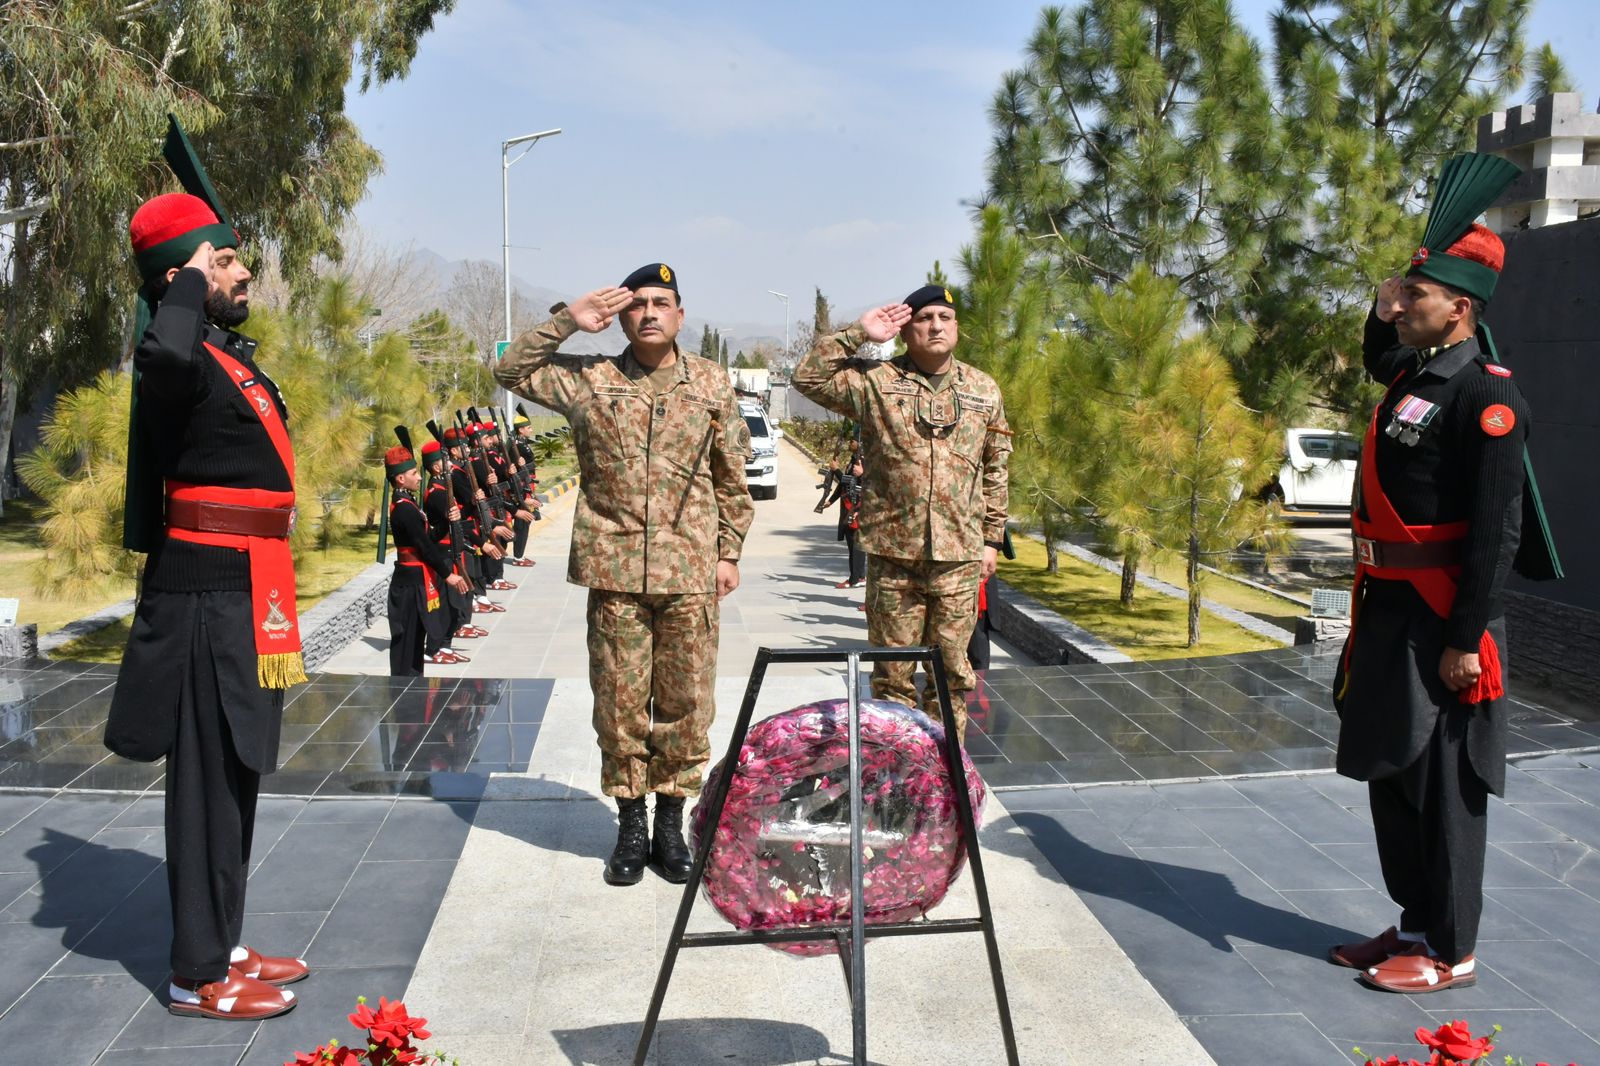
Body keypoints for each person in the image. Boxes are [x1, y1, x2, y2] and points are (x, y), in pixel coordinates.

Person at [1328, 153, 1551, 995]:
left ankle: (1451, 948)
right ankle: (1413, 922)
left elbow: (1498, 532)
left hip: (1444, 617)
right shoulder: (1417, 374)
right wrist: (1381, 300)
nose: (1401, 305)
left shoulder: (1483, 395)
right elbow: (1373, 352)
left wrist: (1466, 641)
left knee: (1447, 787)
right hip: (1387, 611)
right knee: (1394, 772)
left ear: (1459, 308)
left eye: (1415, 296)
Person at [106, 179, 306, 1020]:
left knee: (236, 776)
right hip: (203, 592)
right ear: (179, 279)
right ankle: (196, 973)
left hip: (248, 584)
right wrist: (185, 275)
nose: (242, 271)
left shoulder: (226, 354)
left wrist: (200, 265)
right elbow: (164, 356)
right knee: (203, 788)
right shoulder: (173, 353)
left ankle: (222, 939)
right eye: (224, 260)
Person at [495, 263, 753, 886]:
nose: (649, 313)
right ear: (620, 316)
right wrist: (568, 321)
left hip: (689, 569)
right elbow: (509, 371)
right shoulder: (592, 379)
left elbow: (732, 477)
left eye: (662, 302)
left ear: (681, 315)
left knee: (687, 704)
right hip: (614, 570)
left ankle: (671, 821)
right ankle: (631, 823)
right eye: (637, 304)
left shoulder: (712, 383)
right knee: (618, 704)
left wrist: (728, 551)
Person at [795, 284, 1010, 742]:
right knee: (892, 678)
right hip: (894, 557)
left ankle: (945, 772)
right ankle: (895, 775)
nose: (935, 326)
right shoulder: (876, 381)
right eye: (924, 318)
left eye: (944, 318)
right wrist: (859, 334)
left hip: (958, 557)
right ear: (907, 329)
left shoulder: (983, 390)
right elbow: (808, 378)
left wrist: (991, 539)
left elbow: (997, 466)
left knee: (952, 674)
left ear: (957, 328)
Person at [385, 437, 464, 675]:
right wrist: (447, 575)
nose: (420, 477)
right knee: (407, 639)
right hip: (409, 582)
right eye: (414, 473)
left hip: (416, 578)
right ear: (400, 479)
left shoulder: (409, 503)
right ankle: (402, 688)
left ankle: (412, 683)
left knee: (416, 639)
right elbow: (424, 546)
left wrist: (447, 523)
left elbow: (428, 537)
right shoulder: (404, 508)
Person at [422, 438, 480, 658]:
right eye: (444, 460)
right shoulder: (437, 492)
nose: (449, 464)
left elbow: (458, 517)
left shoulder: (443, 486)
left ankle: (444, 645)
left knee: (456, 603)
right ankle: (435, 648)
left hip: (453, 548)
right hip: (445, 552)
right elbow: (452, 520)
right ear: (436, 466)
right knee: (447, 605)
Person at [826, 453, 866, 588]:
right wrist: (831, 500)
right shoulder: (854, 460)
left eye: (852, 440)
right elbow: (845, 485)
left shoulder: (864, 461)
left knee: (856, 547)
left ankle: (854, 579)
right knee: (852, 545)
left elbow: (861, 482)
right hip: (849, 509)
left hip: (858, 510)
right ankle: (860, 576)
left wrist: (836, 470)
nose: (850, 442)